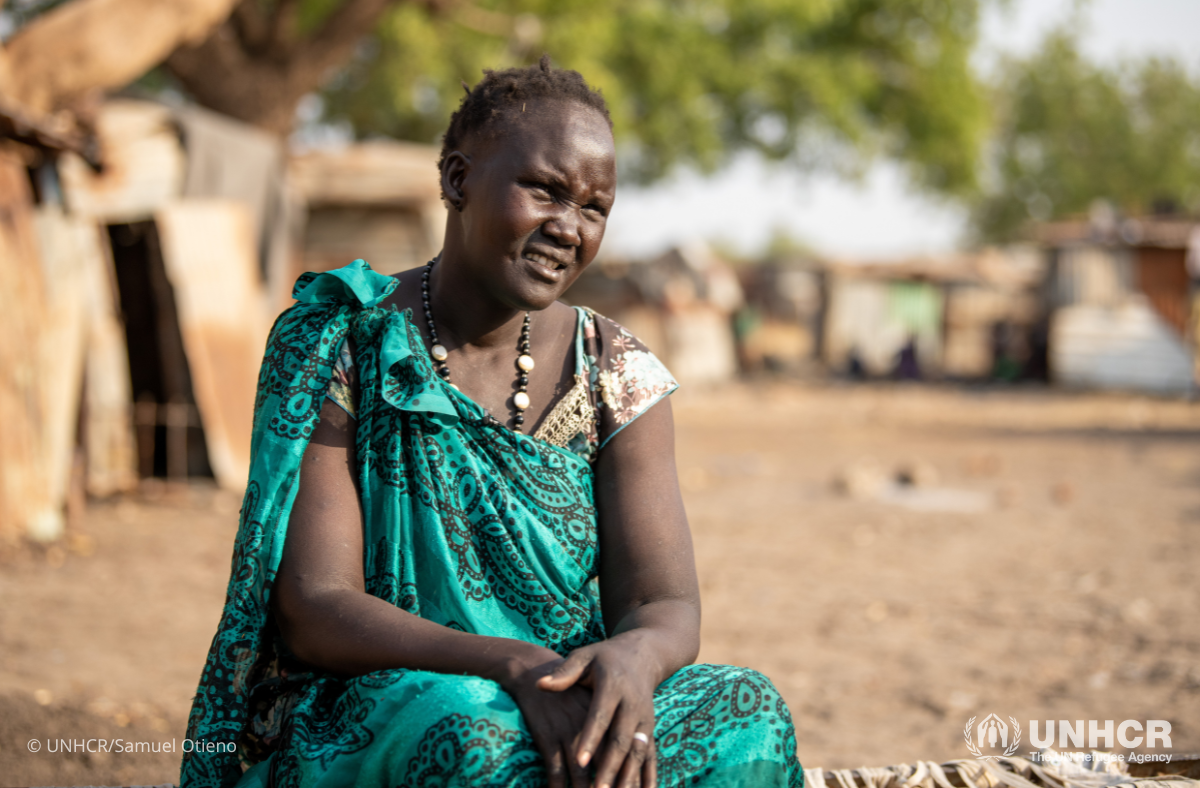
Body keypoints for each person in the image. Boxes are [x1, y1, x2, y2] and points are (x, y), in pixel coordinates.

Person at [182, 57, 803, 788]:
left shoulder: (617, 374)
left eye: (594, 207)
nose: (568, 228)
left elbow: (659, 602)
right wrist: (512, 665)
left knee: (745, 710)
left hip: (563, 692)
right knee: (472, 740)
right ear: (456, 180)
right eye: (544, 190)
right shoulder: (340, 342)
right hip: (386, 697)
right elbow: (317, 607)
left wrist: (631, 663)